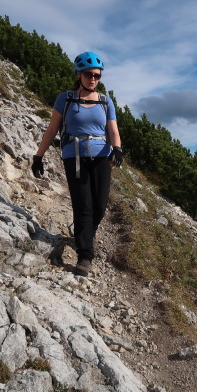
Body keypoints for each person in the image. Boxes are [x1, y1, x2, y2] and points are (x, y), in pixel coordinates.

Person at [31, 51, 123, 276]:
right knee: (83, 205)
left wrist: (117, 149)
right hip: (75, 157)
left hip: (101, 155)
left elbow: (113, 130)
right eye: (89, 74)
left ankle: (84, 234)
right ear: (79, 74)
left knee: (100, 205)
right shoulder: (66, 98)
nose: (93, 79)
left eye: (97, 76)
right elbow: (52, 129)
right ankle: (85, 256)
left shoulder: (105, 101)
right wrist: (38, 156)